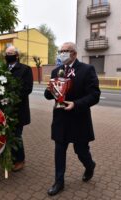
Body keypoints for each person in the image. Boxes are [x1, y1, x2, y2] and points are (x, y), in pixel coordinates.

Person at [44, 42, 100, 196]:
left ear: (74, 53)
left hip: (78, 118)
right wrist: (49, 90)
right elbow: (49, 95)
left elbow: (95, 95)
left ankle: (90, 166)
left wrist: (76, 104)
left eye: (65, 51)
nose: (62, 53)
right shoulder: (56, 71)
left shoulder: (87, 70)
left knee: (81, 150)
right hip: (61, 118)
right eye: (60, 51)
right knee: (59, 150)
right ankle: (59, 182)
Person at [5, 46, 33, 172]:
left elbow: (27, 89)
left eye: (10, 53)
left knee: (16, 135)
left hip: (18, 109)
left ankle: (20, 160)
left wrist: (11, 98)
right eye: (6, 53)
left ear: (16, 55)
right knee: (7, 134)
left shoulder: (25, 69)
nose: (7, 55)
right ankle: (10, 157)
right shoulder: (2, 69)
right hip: (4, 109)